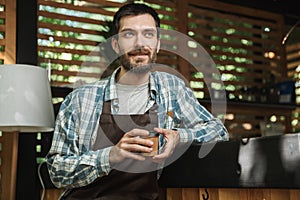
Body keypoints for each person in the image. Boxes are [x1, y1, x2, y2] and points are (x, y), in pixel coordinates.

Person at [46, 3, 229, 200]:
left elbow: (218, 132)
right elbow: (57, 172)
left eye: (148, 34)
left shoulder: (172, 89)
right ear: (116, 45)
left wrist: (179, 137)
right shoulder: (81, 99)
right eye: (129, 34)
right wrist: (110, 156)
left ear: (157, 44)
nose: (139, 44)